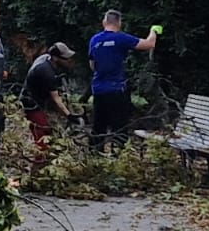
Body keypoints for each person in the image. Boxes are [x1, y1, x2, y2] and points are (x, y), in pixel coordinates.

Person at [87, 10, 160, 148]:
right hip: (116, 90)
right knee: (119, 126)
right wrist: (153, 31)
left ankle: (94, 156)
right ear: (119, 23)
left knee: (98, 125)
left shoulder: (94, 39)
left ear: (104, 22)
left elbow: (92, 65)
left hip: (98, 89)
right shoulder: (121, 38)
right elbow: (149, 44)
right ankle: (119, 157)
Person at [22, 41, 82, 142]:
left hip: (39, 98)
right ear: (55, 58)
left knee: (51, 129)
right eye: (66, 58)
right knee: (43, 133)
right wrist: (69, 116)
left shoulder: (46, 58)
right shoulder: (46, 72)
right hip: (31, 103)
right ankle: (41, 157)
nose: (69, 60)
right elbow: (56, 99)